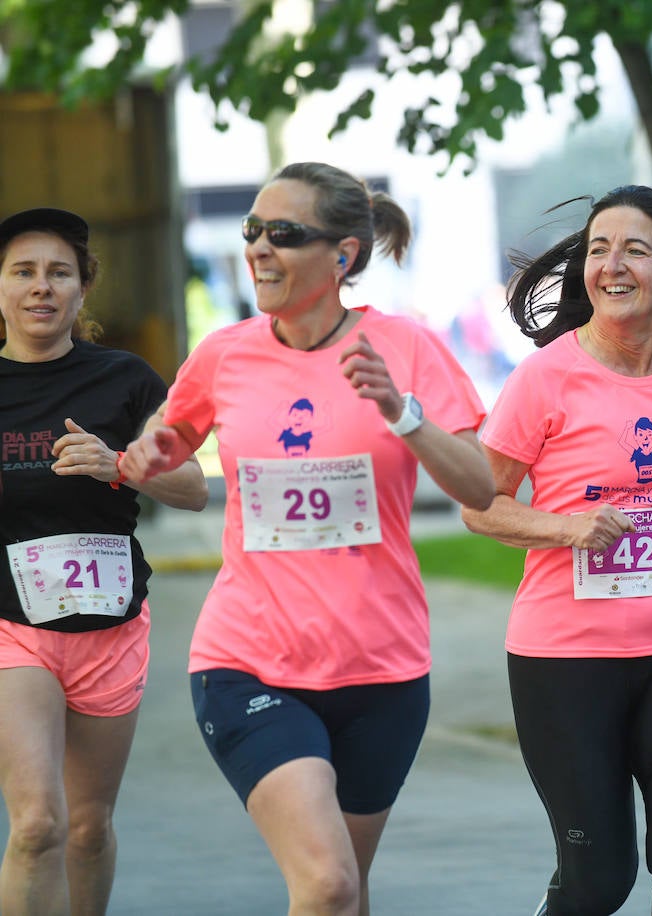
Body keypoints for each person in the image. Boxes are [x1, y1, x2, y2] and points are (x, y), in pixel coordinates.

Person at [119, 162, 495, 915]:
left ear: (344, 256)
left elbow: (482, 488)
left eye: (283, 235)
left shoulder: (408, 348)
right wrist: (147, 460)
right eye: (254, 231)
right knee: (325, 882)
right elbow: (165, 452)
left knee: (344, 894)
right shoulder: (226, 354)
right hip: (250, 662)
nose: (258, 247)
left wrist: (402, 410)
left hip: (383, 671)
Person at [462, 185, 652, 916]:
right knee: (600, 879)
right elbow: (481, 506)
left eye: (635, 249)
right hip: (565, 661)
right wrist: (566, 527)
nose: (612, 263)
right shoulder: (545, 377)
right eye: (599, 249)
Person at [0, 207, 208, 915]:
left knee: (88, 828)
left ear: (82, 290)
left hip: (110, 625)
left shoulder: (125, 380)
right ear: (0, 288)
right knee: (37, 826)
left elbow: (193, 490)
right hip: (11, 627)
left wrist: (118, 464)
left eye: (59, 272)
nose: (41, 287)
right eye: (23, 272)